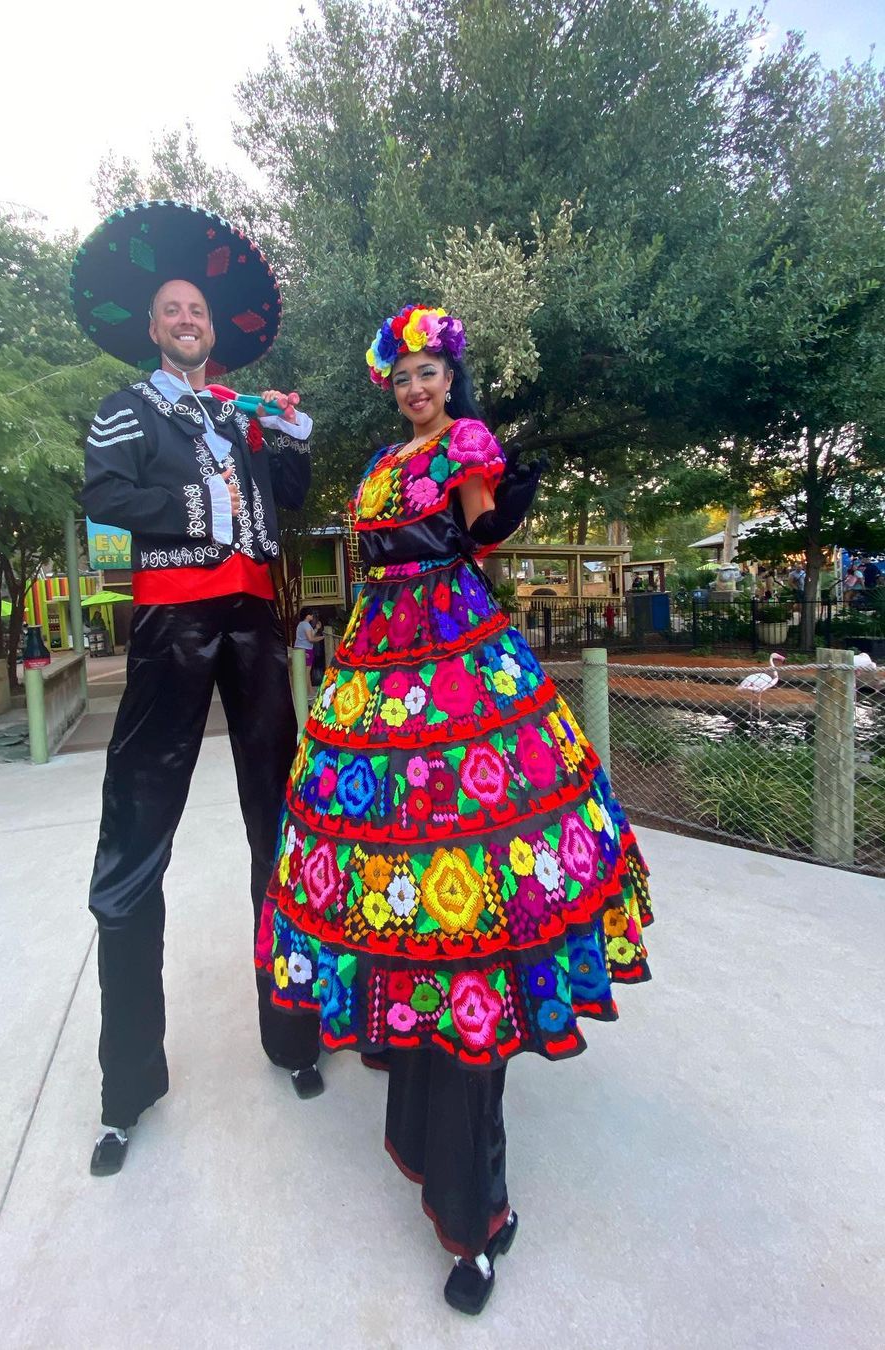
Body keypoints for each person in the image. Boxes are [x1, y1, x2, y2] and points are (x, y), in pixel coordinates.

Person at [256, 304, 654, 1314]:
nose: (416, 386)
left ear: (452, 378)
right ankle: (400, 1013)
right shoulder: (381, 464)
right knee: (375, 854)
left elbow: (480, 528)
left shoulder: (466, 445)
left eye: (429, 371)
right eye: (403, 376)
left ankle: (476, 1185)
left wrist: (498, 486)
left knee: (475, 866)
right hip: (377, 657)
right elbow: (373, 553)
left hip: (460, 659)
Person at [71, 200, 323, 1177]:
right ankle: (126, 1087)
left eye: (200, 311)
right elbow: (104, 495)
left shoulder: (246, 414)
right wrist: (198, 501)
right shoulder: (128, 408)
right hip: (173, 622)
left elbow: (290, 500)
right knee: (137, 836)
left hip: (257, 624)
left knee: (284, 823)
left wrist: (291, 438)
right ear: (153, 324)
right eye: (174, 308)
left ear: (216, 331)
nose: (188, 318)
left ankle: (295, 1038)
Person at [294, 609, 318, 688]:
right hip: (306, 649)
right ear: (307, 615)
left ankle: (307, 691)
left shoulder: (301, 624)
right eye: (311, 614)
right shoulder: (306, 625)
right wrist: (321, 638)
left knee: (302, 671)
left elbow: (310, 634)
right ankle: (309, 691)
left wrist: (316, 629)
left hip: (298, 648)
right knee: (307, 672)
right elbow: (310, 638)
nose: (312, 616)